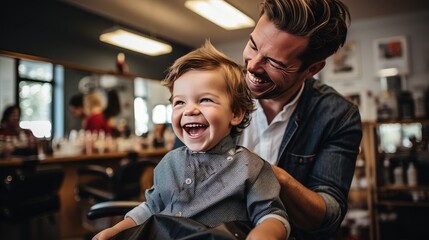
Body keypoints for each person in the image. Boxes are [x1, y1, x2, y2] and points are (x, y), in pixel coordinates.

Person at [92, 41, 290, 240]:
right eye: (180, 102)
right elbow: (151, 207)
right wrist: (115, 231)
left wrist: (264, 234)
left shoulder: (251, 168)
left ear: (236, 113)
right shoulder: (168, 163)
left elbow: (272, 215)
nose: (189, 110)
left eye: (205, 99)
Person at [236, 0, 363, 239]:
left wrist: (268, 174)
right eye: (252, 45)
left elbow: (329, 215)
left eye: (274, 62)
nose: (252, 66)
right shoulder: (215, 90)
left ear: (312, 69)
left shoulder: (338, 116)